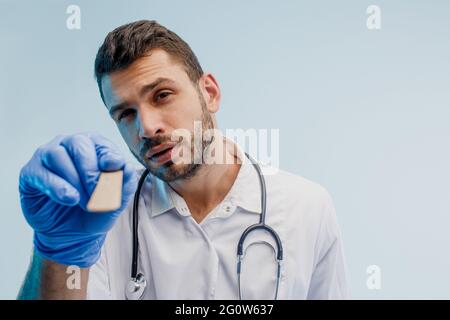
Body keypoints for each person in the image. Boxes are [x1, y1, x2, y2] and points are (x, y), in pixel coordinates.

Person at [17, 20, 350, 300]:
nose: (146, 127)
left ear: (210, 93)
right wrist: (56, 253)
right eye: (125, 113)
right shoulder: (102, 214)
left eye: (162, 95)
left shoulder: (308, 207)